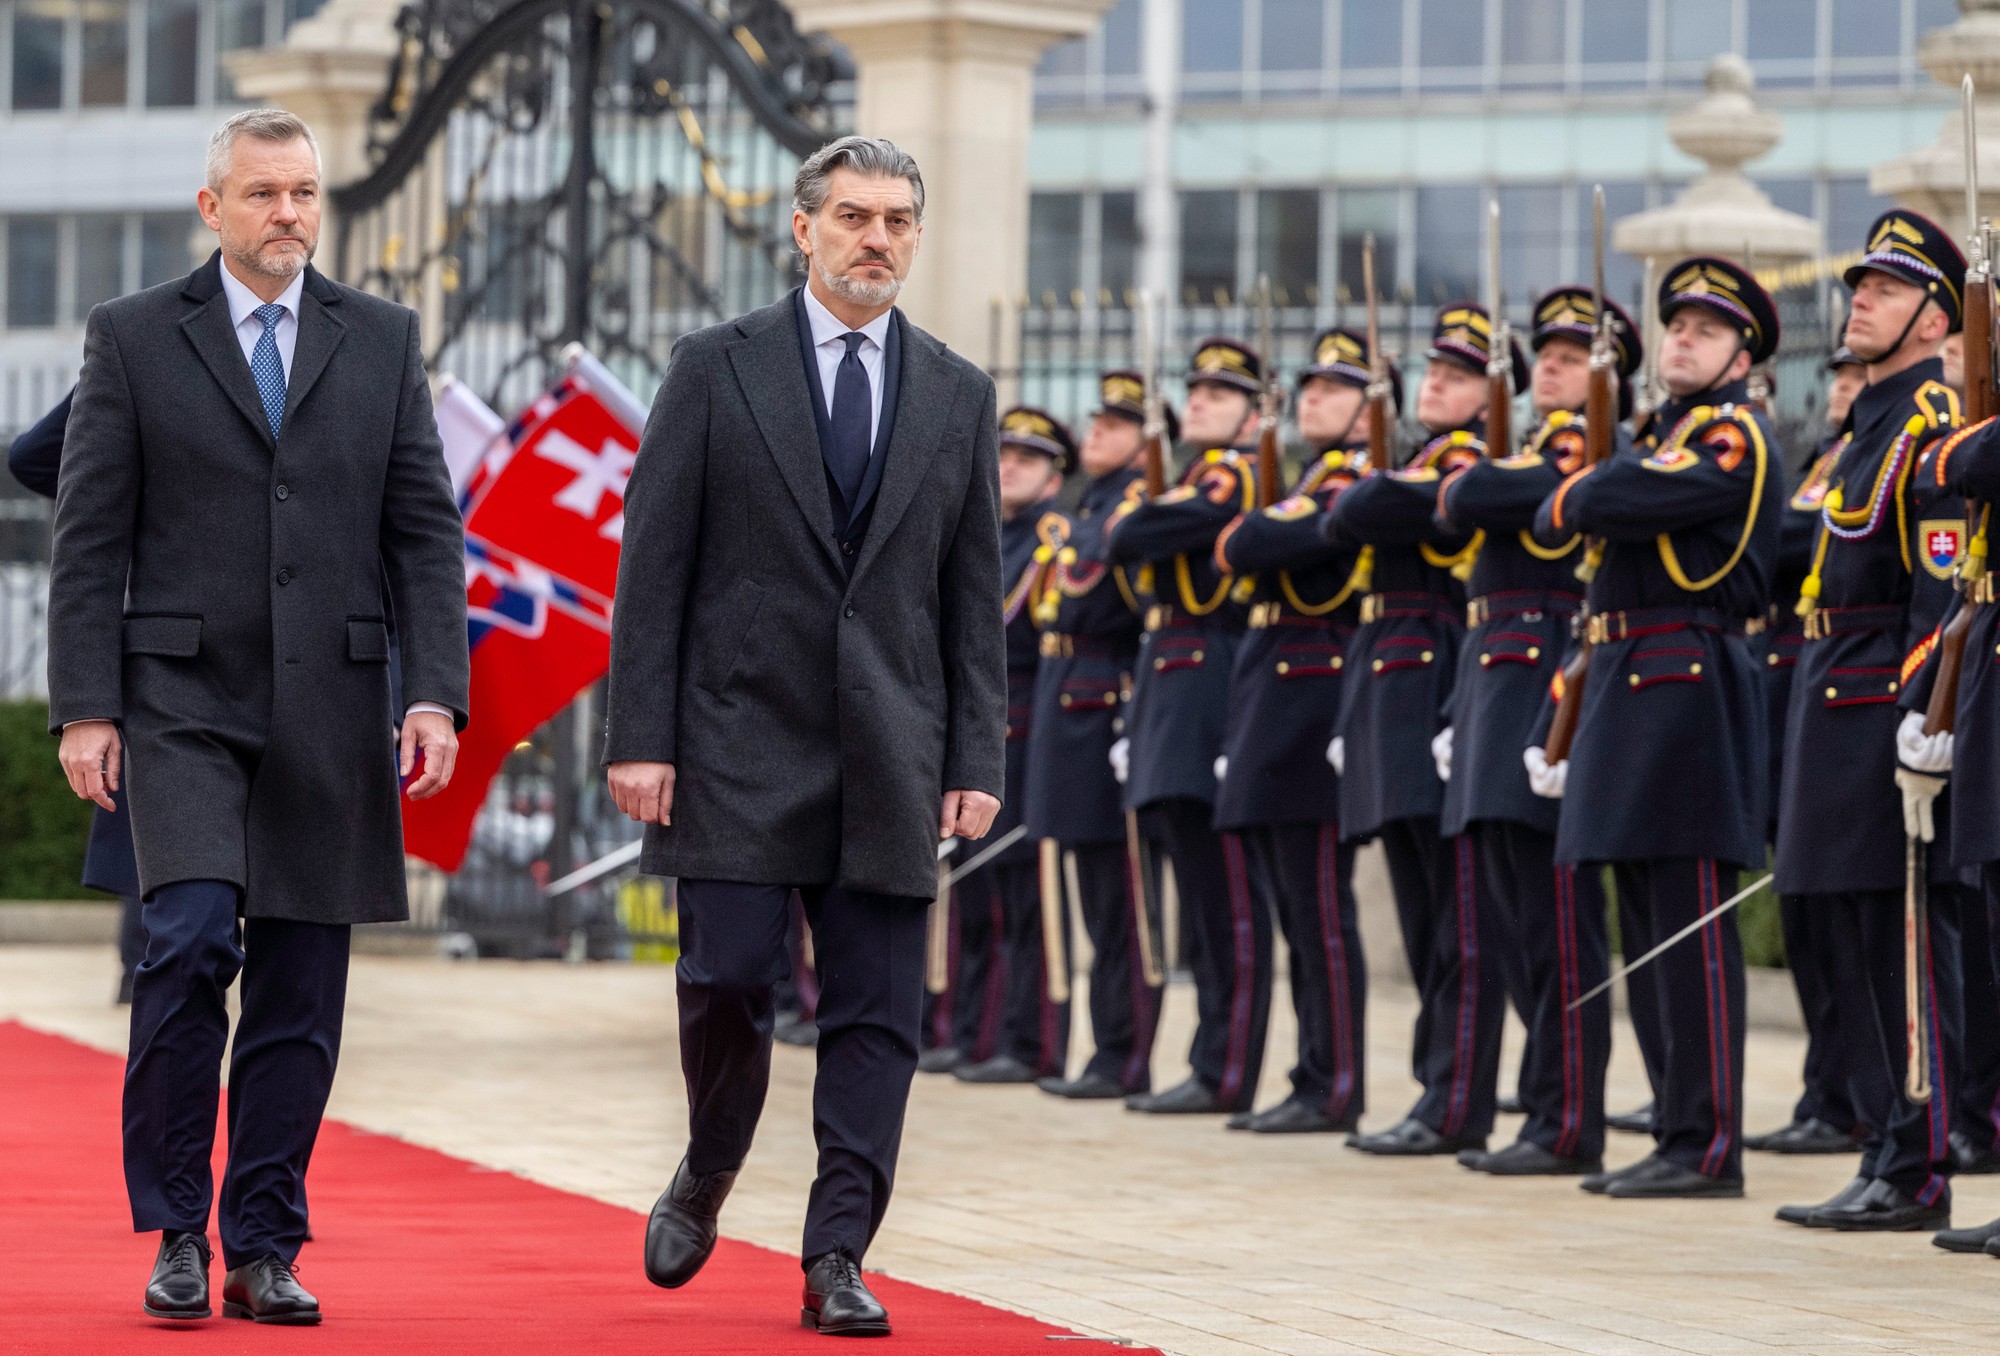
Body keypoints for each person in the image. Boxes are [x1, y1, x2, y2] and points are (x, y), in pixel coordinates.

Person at [47, 108, 468, 1324]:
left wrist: (433, 689)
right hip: (178, 698)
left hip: (334, 704)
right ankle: (179, 1227)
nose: (288, 212)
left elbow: (423, 532)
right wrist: (87, 707)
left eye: (304, 192)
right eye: (264, 192)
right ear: (212, 206)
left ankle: (264, 1243)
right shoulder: (131, 338)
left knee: (301, 985)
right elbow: (88, 539)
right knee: (183, 946)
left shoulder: (380, 338)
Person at [604, 135, 1004, 1337]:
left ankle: (836, 1253)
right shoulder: (714, 369)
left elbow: (970, 597)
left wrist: (975, 759)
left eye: (895, 220)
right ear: (803, 228)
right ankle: (711, 1160)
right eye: (851, 217)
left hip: (893, 751)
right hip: (733, 743)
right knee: (725, 979)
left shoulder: (956, 392)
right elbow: (651, 569)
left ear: (914, 236)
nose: (874, 239)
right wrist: (641, 736)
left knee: (876, 1014)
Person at [1530, 255, 1782, 1200]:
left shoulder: (1734, 436)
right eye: (1675, 326)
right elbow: (1587, 511)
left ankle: (1708, 1144)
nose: (1682, 339)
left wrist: (1600, 485)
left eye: (1705, 331)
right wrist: (1605, 482)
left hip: (1689, 681)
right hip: (1629, 677)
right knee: (1643, 920)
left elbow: (1598, 501)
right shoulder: (1654, 434)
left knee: (1687, 921)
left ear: (1742, 355)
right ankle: (1675, 1127)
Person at [1767, 211, 1967, 1232]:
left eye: (1885, 291)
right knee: (1840, 934)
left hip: (1878, 707)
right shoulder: (1869, 424)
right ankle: (1878, 1143)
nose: (1859, 302)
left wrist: (1923, 709)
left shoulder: (1930, 423)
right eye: (1858, 287)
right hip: (1827, 697)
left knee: (1894, 940)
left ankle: (1915, 1159)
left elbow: (1940, 588)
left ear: (1935, 316)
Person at [1440, 287, 1640, 1176]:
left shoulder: (1585, 450)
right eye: (1545, 354)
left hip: (1543, 681)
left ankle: (1568, 1120)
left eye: (1567, 357)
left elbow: (1479, 492)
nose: (1548, 367)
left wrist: (1479, 483)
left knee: (1559, 930)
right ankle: (1544, 1103)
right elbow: (1465, 503)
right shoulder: (1536, 450)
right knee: (1515, 925)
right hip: (1492, 682)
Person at [1329, 304, 1519, 1158]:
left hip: (1435, 673)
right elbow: (1348, 518)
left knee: (1458, 923)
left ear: (1489, 394)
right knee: (1422, 914)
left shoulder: (1470, 459)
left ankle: (1457, 1100)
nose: (1434, 383)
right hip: (1391, 684)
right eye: (1433, 371)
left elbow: (1364, 511)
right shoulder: (1422, 461)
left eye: (1456, 374)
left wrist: (1376, 488)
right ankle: (1433, 1088)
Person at [1209, 328, 1384, 1134]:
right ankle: (1311, 1070)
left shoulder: (1353, 477)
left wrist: (1263, 532)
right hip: (1272, 697)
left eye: (1335, 388)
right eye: (1310, 385)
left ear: (1366, 408)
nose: (1313, 396)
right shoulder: (1310, 479)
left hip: (1315, 697)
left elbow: (1255, 541)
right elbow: (1245, 546)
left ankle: (1336, 1080)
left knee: (1320, 910)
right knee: (1292, 912)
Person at [1103, 340, 1266, 1116]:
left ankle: (1226, 1068)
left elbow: (1139, 536)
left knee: (1226, 897)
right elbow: (1126, 539)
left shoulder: (1236, 475)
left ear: (1254, 414)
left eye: (1220, 393)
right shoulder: (1190, 482)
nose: (1199, 401)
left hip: (1213, 675)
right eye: (1195, 389)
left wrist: (1155, 516)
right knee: (1197, 899)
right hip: (1170, 677)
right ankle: (1208, 1058)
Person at [1027, 373, 1167, 1101]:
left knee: (1122, 901)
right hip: (1065, 703)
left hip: (1105, 700)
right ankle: (1103, 1044)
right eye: (1099, 421)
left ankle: (1125, 1053)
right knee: (1088, 897)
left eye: (1118, 425)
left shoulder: (1135, 508)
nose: (1098, 432)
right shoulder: (1092, 504)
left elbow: (1128, 604)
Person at [1744, 347, 1867, 1159]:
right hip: (1796, 700)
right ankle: (1826, 1091)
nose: (1844, 389)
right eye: (1842, 376)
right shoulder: (1828, 459)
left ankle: (1855, 1097)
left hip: (1839, 698)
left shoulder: (1874, 457)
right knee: (1807, 918)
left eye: (1856, 375)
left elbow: (1788, 536)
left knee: (1850, 927)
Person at [8, 388, 148, 1005]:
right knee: (157, 833)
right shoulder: (149, 350)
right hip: (166, 653)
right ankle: (143, 972)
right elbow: (35, 456)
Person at [950, 407, 1073, 1085]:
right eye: (1004, 455)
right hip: (980, 728)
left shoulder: (1052, 542)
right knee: (977, 895)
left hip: (1026, 725)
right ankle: (976, 1032)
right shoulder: (985, 539)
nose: (1010, 467)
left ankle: (1030, 1043)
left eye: (1029, 458)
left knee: (1027, 897)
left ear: (1056, 476)